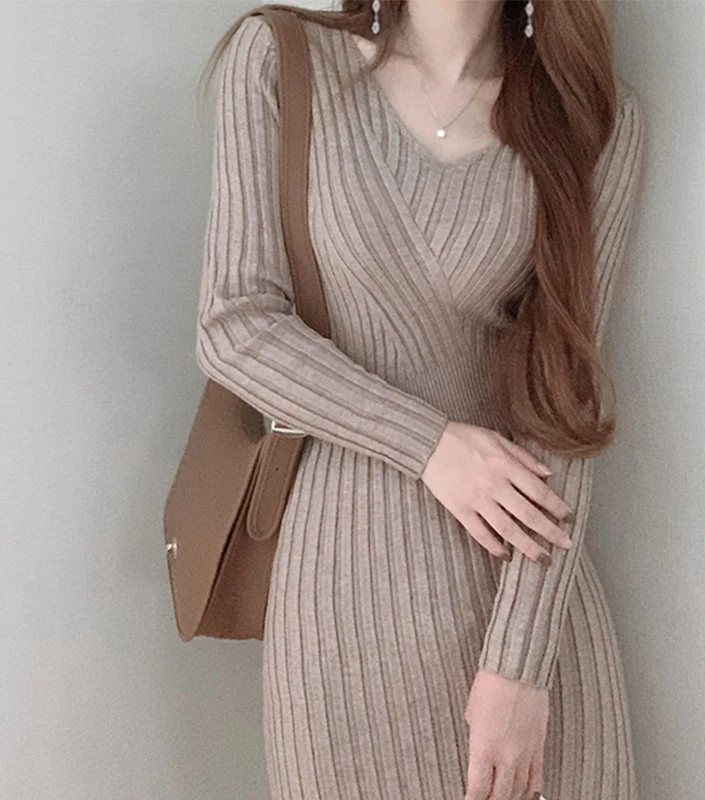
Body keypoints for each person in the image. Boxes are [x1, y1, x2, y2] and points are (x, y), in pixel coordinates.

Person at [195, 1, 645, 798]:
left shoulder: (591, 114)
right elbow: (234, 325)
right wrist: (430, 444)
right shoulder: (280, 59)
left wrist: (520, 666)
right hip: (339, 602)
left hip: (523, 608)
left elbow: (567, 402)